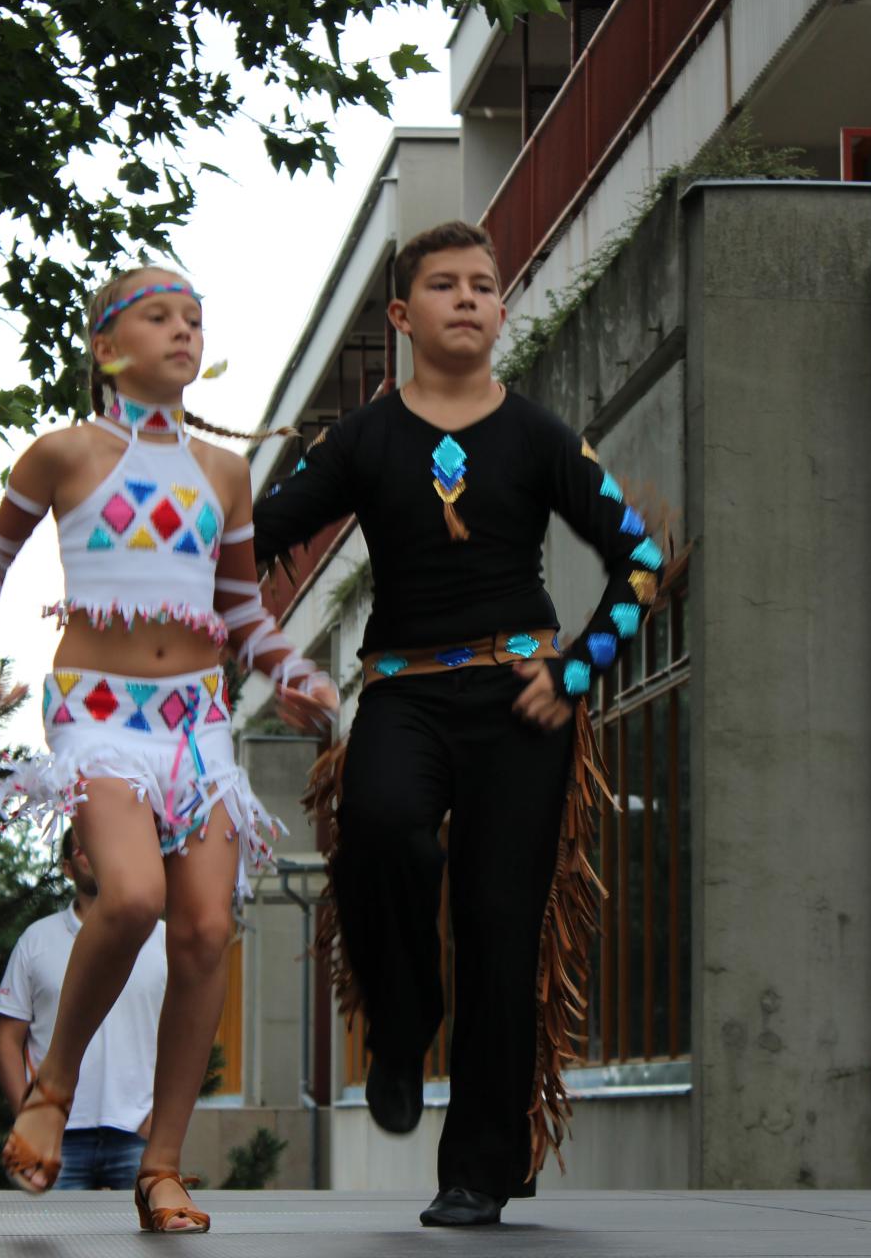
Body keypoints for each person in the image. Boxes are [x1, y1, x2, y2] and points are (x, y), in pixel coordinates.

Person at [252, 221, 654, 1228]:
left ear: (501, 311)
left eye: (482, 284)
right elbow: (250, 538)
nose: (467, 297)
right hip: (402, 692)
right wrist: (269, 657)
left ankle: (478, 1166)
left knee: (499, 924)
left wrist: (576, 670)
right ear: (401, 314)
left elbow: (641, 564)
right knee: (380, 828)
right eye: (444, 284)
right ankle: (400, 1026)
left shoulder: (544, 437)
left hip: (522, 705)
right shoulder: (360, 440)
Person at [0, 264, 335, 1232]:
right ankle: (53, 1086)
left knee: (204, 928)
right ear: (104, 347)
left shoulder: (224, 472)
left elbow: (242, 610)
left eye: (193, 318)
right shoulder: (63, 453)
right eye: (158, 316)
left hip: (196, 721)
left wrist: (295, 671)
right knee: (130, 895)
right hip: (97, 711)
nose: (182, 331)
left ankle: (161, 1165)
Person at [0, 828, 166, 1189]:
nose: (95, 851)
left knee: (145, 1229)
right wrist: (27, 1115)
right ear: (67, 867)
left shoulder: (163, 939)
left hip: (138, 1132)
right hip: (55, 1135)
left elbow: (184, 1034)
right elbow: (7, 1037)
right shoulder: (36, 941)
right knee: (50, 1228)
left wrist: (162, 1122)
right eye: (82, 848)